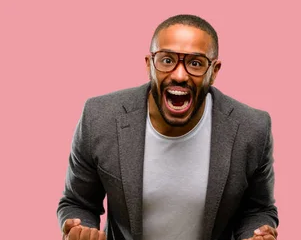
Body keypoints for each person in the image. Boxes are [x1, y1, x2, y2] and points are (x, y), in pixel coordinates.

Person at [57, 14, 279, 240]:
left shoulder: (252, 129)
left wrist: (257, 234)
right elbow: (78, 203)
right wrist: (79, 230)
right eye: (167, 60)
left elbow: (258, 210)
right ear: (149, 64)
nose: (179, 75)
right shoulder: (100, 118)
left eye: (195, 63)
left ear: (214, 71)